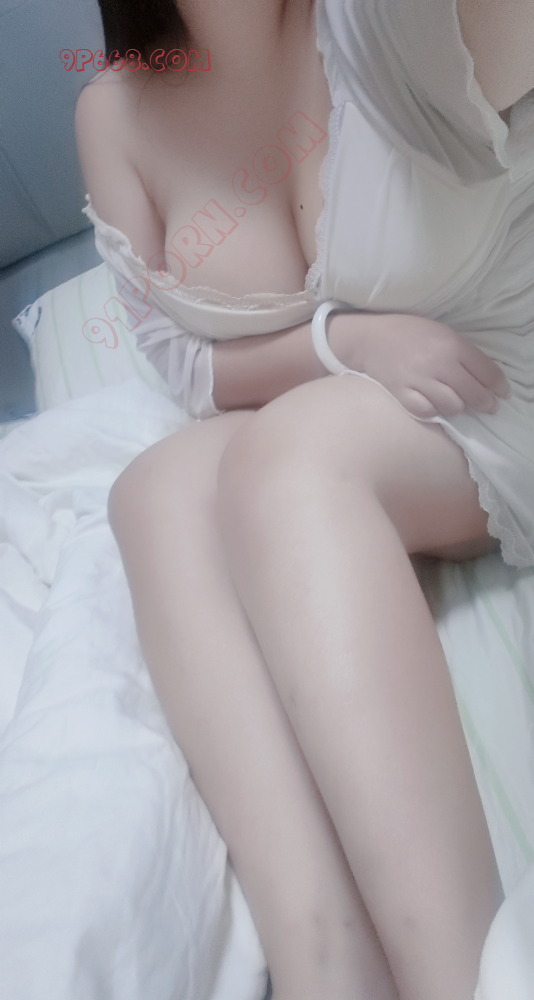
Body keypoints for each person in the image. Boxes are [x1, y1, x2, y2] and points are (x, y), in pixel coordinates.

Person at [75, 1, 534, 997]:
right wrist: (344, 342)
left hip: (494, 376)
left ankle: (458, 977)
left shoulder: (376, 20)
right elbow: (178, 360)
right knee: (153, 493)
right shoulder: (114, 111)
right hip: (348, 409)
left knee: (285, 457)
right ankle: (329, 970)